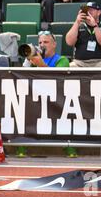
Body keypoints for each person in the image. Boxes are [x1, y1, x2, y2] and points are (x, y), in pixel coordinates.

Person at [20, 30, 75, 158]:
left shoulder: (62, 60)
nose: (42, 45)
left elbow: (57, 77)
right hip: (34, 98)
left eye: (46, 42)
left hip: (56, 99)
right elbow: (21, 76)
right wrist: (28, 61)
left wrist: (41, 65)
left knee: (64, 114)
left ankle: (69, 147)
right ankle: (20, 145)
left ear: (54, 44)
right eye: (40, 42)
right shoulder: (34, 60)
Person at [66, 2, 101, 67]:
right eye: (86, 10)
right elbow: (69, 42)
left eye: (91, 10)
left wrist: (95, 26)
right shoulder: (78, 26)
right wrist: (77, 22)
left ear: (99, 12)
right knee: (69, 67)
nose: (88, 12)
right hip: (79, 62)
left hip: (100, 62)